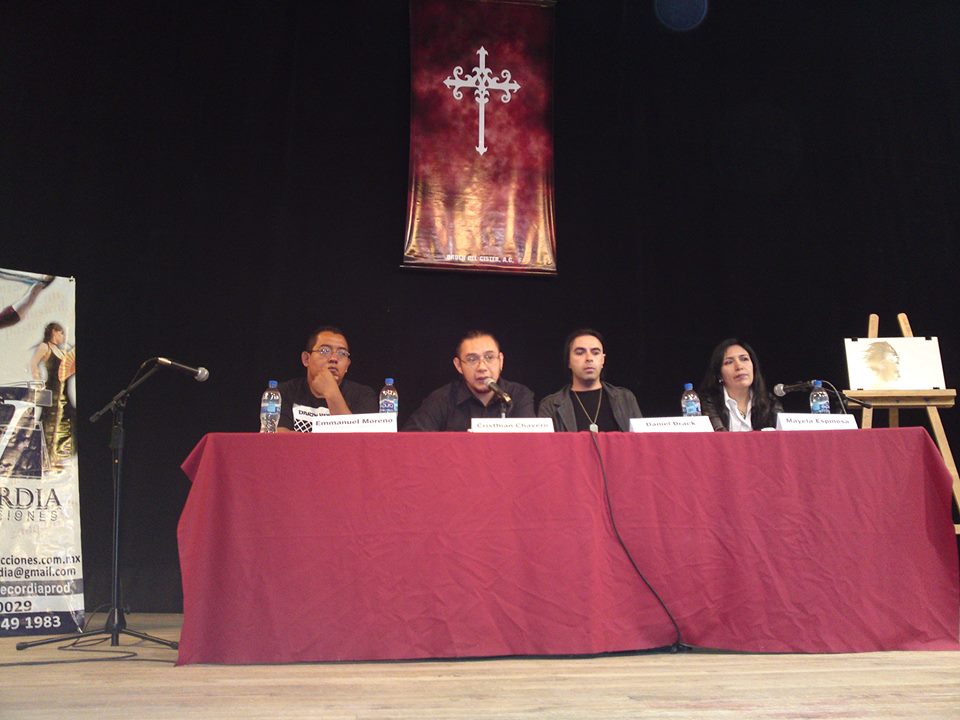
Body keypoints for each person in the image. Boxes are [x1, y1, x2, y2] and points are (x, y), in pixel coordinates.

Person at [403, 330, 535, 431]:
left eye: (489, 357)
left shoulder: (518, 396)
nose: (482, 367)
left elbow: (531, 445)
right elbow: (410, 441)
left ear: (500, 361)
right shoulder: (442, 399)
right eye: (472, 359)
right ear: (459, 366)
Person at [277, 326, 378, 432]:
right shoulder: (284, 392)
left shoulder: (363, 395)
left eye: (342, 353)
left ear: (347, 366)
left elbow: (356, 439)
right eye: (324, 350)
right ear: (306, 359)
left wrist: (332, 392)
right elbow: (279, 438)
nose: (334, 359)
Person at [538, 329, 641, 432]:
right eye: (580, 353)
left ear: (603, 360)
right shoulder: (550, 406)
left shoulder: (625, 399)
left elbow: (641, 440)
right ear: (568, 361)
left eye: (595, 353)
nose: (589, 358)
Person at [699, 338, 782, 431]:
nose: (739, 366)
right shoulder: (708, 403)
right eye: (729, 362)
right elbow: (717, 436)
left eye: (744, 359)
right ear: (719, 374)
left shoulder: (770, 402)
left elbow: (781, 437)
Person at [29, 322, 77, 466]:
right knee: (50, 423)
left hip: (63, 392)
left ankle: (58, 456)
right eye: (61, 333)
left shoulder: (62, 350)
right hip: (52, 391)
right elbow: (33, 363)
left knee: (68, 421)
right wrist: (38, 381)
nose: (63, 336)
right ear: (54, 332)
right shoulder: (45, 347)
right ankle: (46, 458)